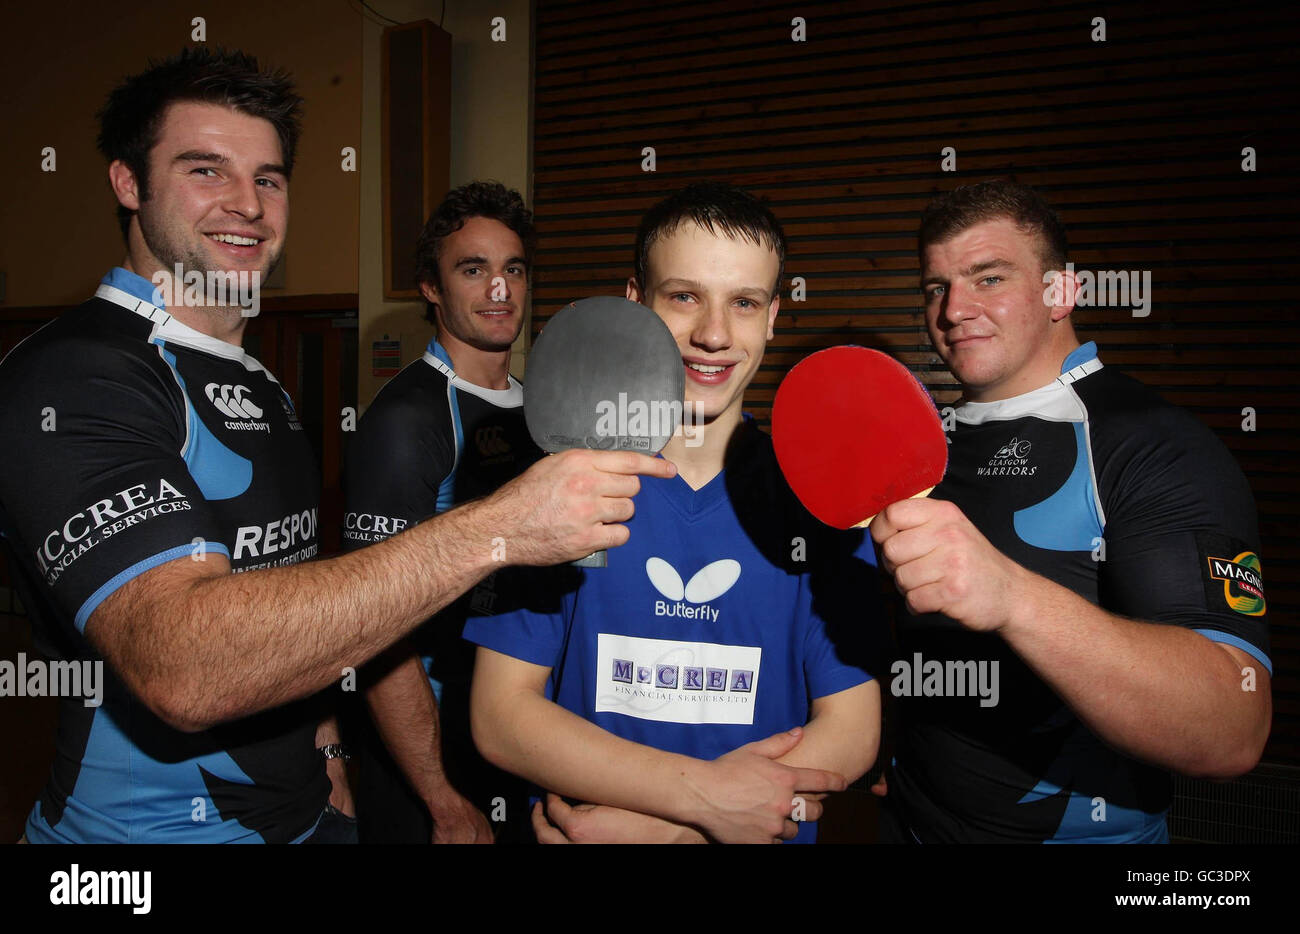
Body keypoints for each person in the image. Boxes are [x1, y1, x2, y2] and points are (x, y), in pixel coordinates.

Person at [0, 47, 672, 844]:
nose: (247, 204)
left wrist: (327, 746)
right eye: (206, 170)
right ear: (128, 183)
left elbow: (300, 583)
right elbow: (182, 666)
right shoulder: (76, 372)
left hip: (307, 815)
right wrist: (500, 530)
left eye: (269, 178)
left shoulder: (260, 381)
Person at [467, 181, 882, 844]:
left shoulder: (819, 501)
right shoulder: (558, 489)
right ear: (635, 304)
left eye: (743, 303)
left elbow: (853, 729)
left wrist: (680, 831)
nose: (714, 335)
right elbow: (500, 714)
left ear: (774, 316)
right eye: (684, 296)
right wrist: (703, 803)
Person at [869, 178, 1272, 842]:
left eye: (988, 278)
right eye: (936, 286)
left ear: (1063, 291)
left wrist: (1012, 597)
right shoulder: (931, 442)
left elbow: (1233, 727)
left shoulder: (1154, 443)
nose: (954, 309)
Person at [343, 181, 542, 843]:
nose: (499, 290)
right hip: (435, 758)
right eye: (473, 269)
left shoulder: (543, 409)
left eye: (513, 269)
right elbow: (374, 632)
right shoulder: (405, 422)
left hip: (522, 737)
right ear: (431, 287)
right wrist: (441, 797)